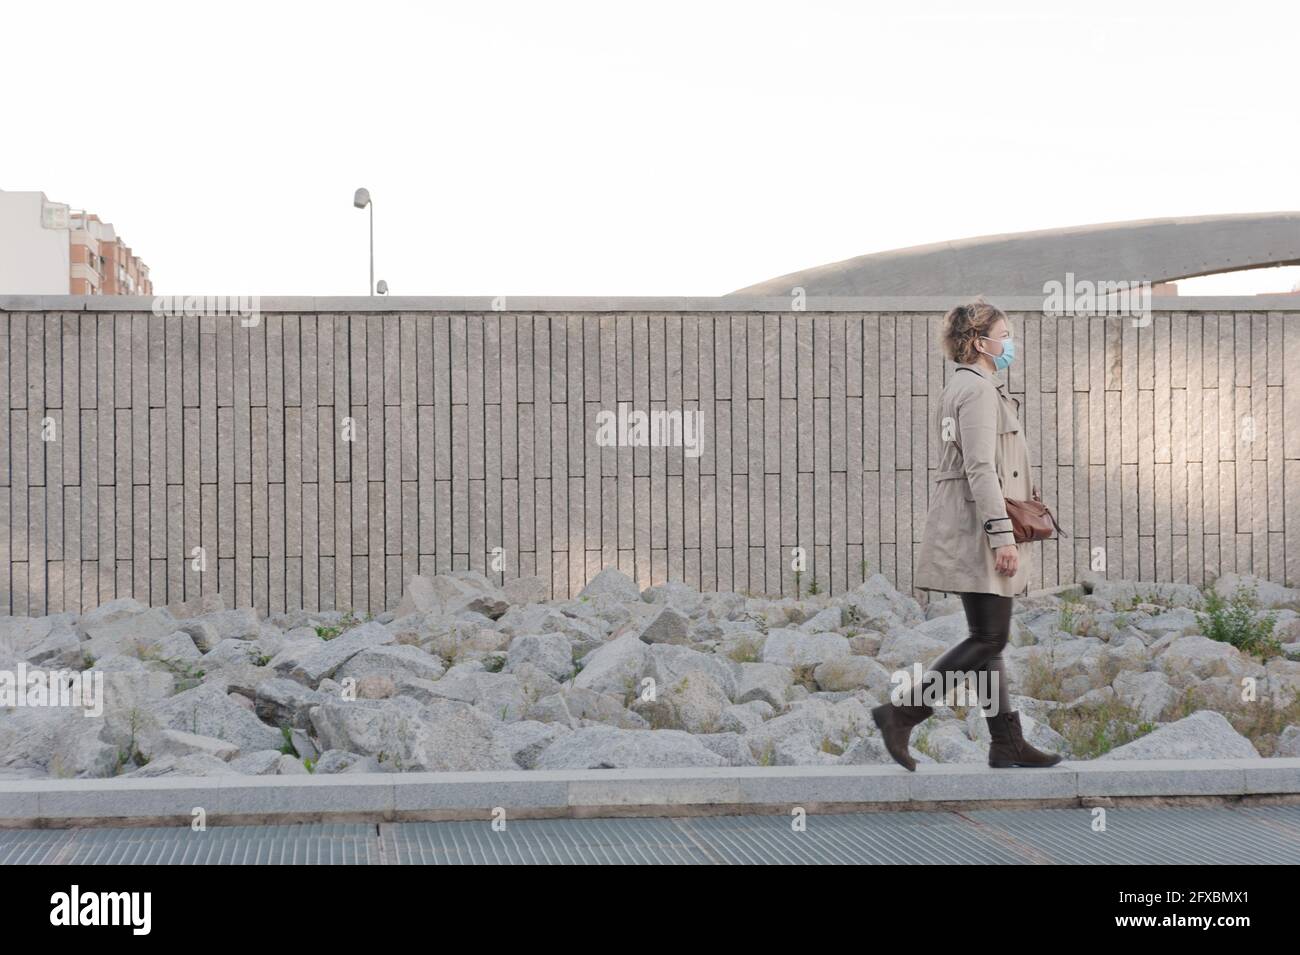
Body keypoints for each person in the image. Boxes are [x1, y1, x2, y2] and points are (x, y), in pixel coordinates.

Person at [871, 297, 1062, 770]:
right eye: (1005, 334)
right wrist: (1002, 537)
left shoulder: (972, 385)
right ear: (979, 342)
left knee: (985, 636)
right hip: (980, 529)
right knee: (990, 639)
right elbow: (979, 467)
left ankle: (1006, 743)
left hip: (973, 523)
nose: (1009, 342)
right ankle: (903, 713)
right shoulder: (976, 390)